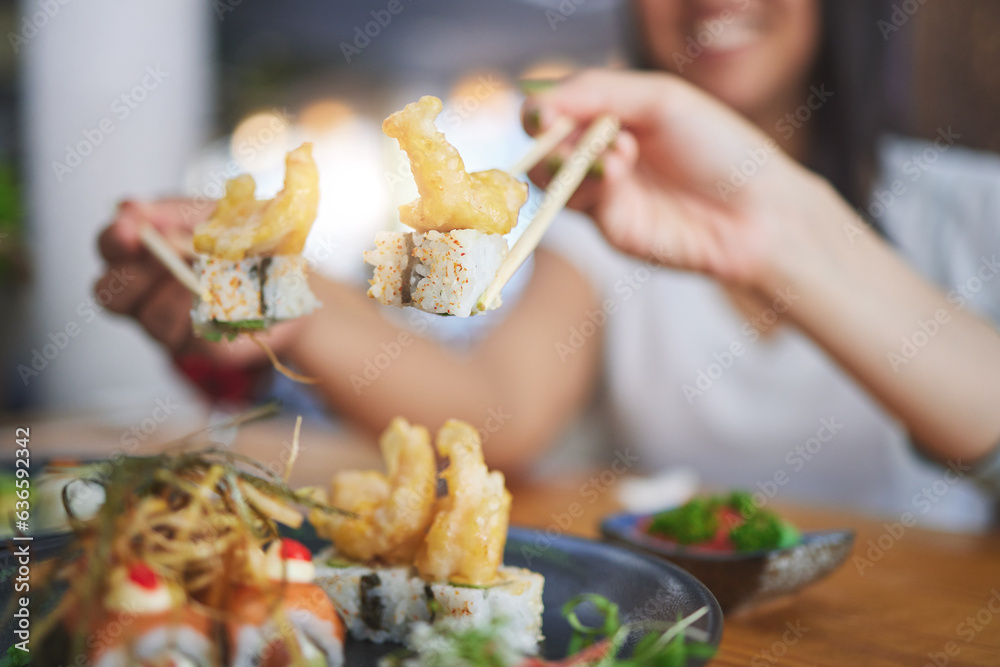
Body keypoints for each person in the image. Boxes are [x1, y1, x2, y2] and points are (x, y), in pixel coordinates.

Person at [96, 0, 1000, 529]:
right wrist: (293, 299)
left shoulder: (971, 206)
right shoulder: (605, 212)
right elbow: (496, 417)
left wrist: (790, 241)